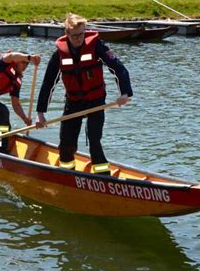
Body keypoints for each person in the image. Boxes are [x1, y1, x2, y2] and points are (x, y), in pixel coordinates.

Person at [35, 13, 132, 175]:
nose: (79, 38)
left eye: (81, 34)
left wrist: (125, 93)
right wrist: (40, 114)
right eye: (74, 36)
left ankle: (103, 176)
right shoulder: (59, 53)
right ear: (67, 34)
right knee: (66, 143)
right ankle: (67, 175)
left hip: (96, 100)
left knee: (94, 141)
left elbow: (119, 68)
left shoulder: (96, 46)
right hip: (73, 102)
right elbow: (48, 84)